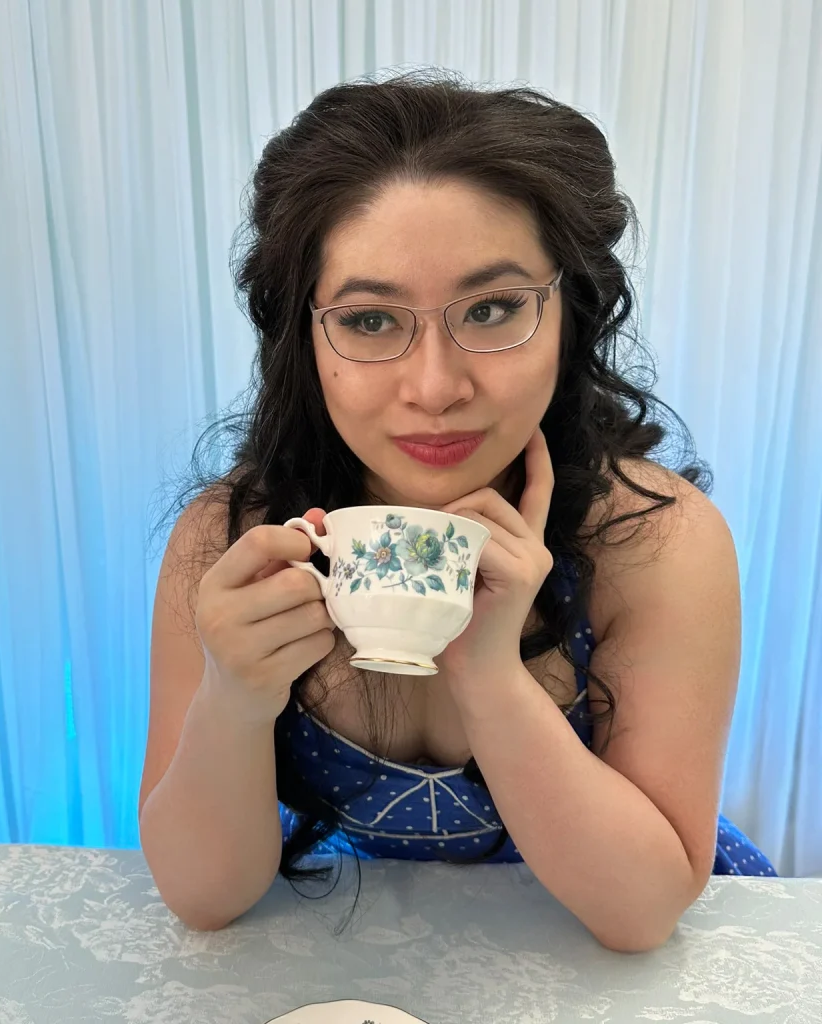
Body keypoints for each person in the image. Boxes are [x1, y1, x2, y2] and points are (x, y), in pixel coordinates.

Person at [138, 70, 775, 950]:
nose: (435, 388)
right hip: (361, 951)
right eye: (369, 321)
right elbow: (204, 899)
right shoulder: (232, 543)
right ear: (304, 335)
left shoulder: (654, 542)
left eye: (493, 309)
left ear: (571, 312)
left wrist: (490, 675)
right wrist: (233, 698)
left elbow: (642, 913)